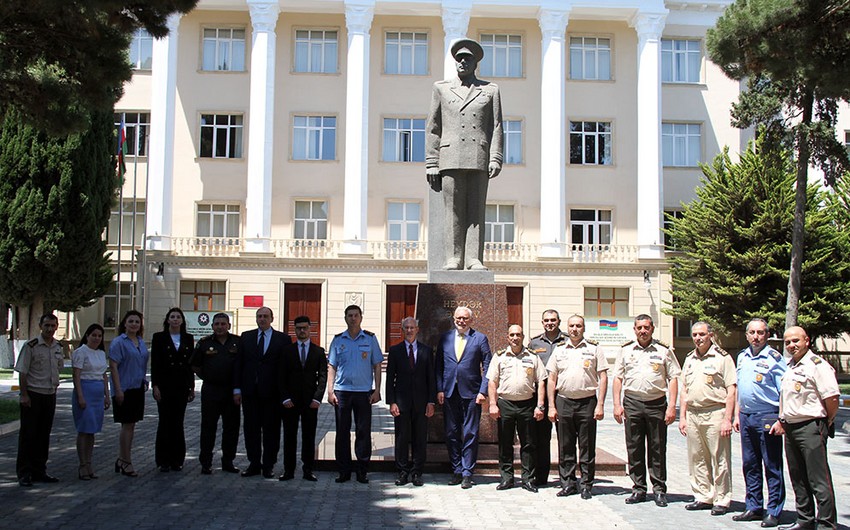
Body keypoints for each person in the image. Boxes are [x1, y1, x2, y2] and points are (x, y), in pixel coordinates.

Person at [425, 38, 503, 271]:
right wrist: (432, 161)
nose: (462, 62)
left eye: (467, 58)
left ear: (475, 63)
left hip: (478, 156)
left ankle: (473, 258)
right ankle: (454, 258)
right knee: (453, 211)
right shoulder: (441, 88)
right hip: (450, 157)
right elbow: (433, 127)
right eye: (458, 58)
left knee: (475, 210)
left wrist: (495, 156)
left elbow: (496, 126)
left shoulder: (490, 90)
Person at [770, 326, 839, 530]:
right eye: (788, 342)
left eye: (796, 341)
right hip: (791, 428)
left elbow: (832, 398)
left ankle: (826, 523)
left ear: (807, 341)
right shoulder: (791, 366)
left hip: (811, 427)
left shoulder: (817, 365)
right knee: (798, 477)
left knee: (818, 479)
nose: (791, 345)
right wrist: (782, 420)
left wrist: (826, 421)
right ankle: (805, 519)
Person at [612, 314, 680, 507]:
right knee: (634, 447)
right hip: (632, 403)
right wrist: (617, 404)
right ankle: (638, 488)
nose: (643, 331)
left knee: (657, 448)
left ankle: (659, 489)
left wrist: (672, 407)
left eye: (646, 327)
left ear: (652, 329)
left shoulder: (664, 351)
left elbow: (673, 378)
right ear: (634, 329)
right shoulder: (625, 351)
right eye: (639, 328)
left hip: (656, 403)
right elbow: (617, 378)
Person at [546, 315, 608, 499]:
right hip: (564, 401)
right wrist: (551, 405)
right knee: (565, 446)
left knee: (587, 445)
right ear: (567, 327)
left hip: (587, 402)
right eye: (572, 325)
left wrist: (601, 405)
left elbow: (603, 377)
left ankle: (587, 484)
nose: (575, 329)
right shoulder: (559, 350)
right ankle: (568, 483)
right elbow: (551, 378)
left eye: (578, 326)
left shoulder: (594, 349)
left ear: (584, 328)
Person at [732, 318, 786, 527]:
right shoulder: (742, 357)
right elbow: (740, 389)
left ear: (767, 335)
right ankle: (753, 506)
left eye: (760, 333)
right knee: (750, 464)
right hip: (746, 417)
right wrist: (737, 415)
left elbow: (784, 391)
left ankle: (774, 510)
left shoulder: (775, 358)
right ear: (746, 335)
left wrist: (781, 419)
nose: (756, 336)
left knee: (772, 464)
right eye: (752, 332)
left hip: (767, 416)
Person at [678, 322, 737, 516]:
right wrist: (683, 417)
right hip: (693, 414)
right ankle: (703, 495)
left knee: (719, 458)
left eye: (702, 334)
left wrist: (728, 419)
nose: (698, 338)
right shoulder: (689, 359)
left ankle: (722, 499)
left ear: (710, 335)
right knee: (697, 458)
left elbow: (731, 390)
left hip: (715, 413)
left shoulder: (723, 358)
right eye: (694, 334)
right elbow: (684, 389)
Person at [435, 305, 492, 489]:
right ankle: (457, 470)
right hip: (450, 392)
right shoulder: (445, 338)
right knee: (451, 433)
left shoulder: (480, 338)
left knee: (470, 433)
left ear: (471, 320)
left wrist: (483, 391)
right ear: (454, 319)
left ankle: (468, 472)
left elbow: (488, 364)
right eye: (459, 318)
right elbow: (439, 366)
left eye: (465, 318)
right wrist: (440, 389)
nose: (461, 321)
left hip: (471, 393)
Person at [327, 304, 384, 484]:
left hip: (363, 393)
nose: (353, 318)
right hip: (342, 392)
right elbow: (332, 367)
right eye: (350, 315)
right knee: (342, 432)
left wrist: (377, 390)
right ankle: (344, 470)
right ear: (345, 318)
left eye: (356, 315)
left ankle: (362, 470)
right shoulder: (338, 340)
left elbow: (377, 365)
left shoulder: (370, 339)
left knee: (363, 431)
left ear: (361, 317)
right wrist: (330, 391)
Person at [487, 325, 546, 493]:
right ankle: (507, 478)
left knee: (528, 444)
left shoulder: (533, 357)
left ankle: (528, 479)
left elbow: (541, 381)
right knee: (505, 443)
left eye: (518, 335)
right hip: (505, 403)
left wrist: (540, 405)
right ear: (507, 337)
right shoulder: (499, 356)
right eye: (512, 335)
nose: (515, 337)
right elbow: (492, 381)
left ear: (523, 336)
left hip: (527, 403)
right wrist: (492, 404)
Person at [234, 306, 291, 478]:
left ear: (272, 319)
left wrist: (285, 394)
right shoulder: (246, 337)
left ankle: (269, 465)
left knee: (271, 431)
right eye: (259, 316)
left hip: (272, 394)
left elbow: (285, 369)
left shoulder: (283, 339)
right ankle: (254, 463)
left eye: (265, 316)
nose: (262, 319)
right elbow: (239, 364)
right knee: (251, 430)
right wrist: (237, 389)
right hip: (250, 392)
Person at [385, 317, 436, 487]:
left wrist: (431, 401)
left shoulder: (426, 351)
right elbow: (390, 378)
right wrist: (391, 402)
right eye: (406, 327)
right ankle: (402, 471)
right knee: (401, 437)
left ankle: (416, 471)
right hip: (402, 402)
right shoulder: (395, 350)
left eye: (412, 327)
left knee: (419, 438)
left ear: (417, 329)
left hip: (421, 403)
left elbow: (431, 378)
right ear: (402, 330)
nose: (409, 330)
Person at [15, 313, 64, 487]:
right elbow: (23, 371)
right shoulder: (31, 346)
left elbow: (59, 368)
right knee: (29, 435)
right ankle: (24, 472)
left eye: (53, 326)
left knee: (44, 434)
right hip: (33, 394)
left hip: (50, 394)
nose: (50, 329)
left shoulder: (58, 346)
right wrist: (24, 394)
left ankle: (39, 470)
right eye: (47, 326)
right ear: (40, 326)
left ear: (57, 327)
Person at [191, 312, 241, 475]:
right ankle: (206, 462)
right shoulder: (204, 343)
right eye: (217, 324)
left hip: (231, 392)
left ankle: (228, 461)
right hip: (211, 391)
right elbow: (195, 365)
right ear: (212, 326)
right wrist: (208, 376)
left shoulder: (237, 342)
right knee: (208, 427)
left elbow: (243, 366)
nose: (220, 327)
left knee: (231, 428)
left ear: (229, 326)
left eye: (223, 324)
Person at [279, 315, 328, 481]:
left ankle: (308, 469)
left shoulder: (318, 351)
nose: (302, 331)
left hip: (310, 402)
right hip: (290, 402)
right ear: (294, 330)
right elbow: (281, 376)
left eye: (304, 328)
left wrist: (317, 398)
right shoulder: (286, 351)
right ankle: (289, 470)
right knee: (289, 436)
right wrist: (285, 398)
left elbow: (323, 376)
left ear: (310, 329)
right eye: (298, 328)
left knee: (309, 436)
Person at [151, 307, 195, 472]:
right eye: (172, 317)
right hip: (164, 386)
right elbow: (155, 363)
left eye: (178, 317)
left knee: (178, 423)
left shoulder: (188, 338)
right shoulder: (159, 338)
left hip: (181, 386)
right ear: (167, 320)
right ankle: (163, 460)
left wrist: (191, 387)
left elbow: (189, 365)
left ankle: (177, 459)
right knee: (164, 422)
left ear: (182, 321)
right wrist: (155, 386)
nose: (175, 319)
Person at [528, 309, 568, 487]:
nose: (549, 323)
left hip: (563, 393)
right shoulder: (535, 343)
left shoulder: (567, 341)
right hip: (540, 395)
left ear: (559, 321)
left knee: (564, 438)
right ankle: (541, 476)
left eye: (553, 320)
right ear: (542, 322)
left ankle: (566, 477)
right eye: (546, 320)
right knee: (540, 438)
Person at [109, 310, 149, 478]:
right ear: (124, 323)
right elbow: (113, 367)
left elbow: (141, 364)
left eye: (137, 322)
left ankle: (122, 458)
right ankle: (126, 461)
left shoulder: (140, 341)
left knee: (131, 425)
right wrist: (117, 389)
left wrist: (144, 380)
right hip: (124, 389)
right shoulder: (118, 342)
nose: (134, 324)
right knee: (127, 425)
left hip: (137, 388)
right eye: (131, 321)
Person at [71, 323, 111, 481]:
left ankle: (89, 463)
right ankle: (82, 465)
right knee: (84, 429)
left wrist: (107, 395)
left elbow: (104, 375)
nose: (96, 338)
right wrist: (80, 396)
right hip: (85, 390)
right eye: (93, 335)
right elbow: (76, 376)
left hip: (97, 393)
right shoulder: (80, 352)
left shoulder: (101, 353)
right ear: (87, 335)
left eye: (99, 336)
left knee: (92, 430)